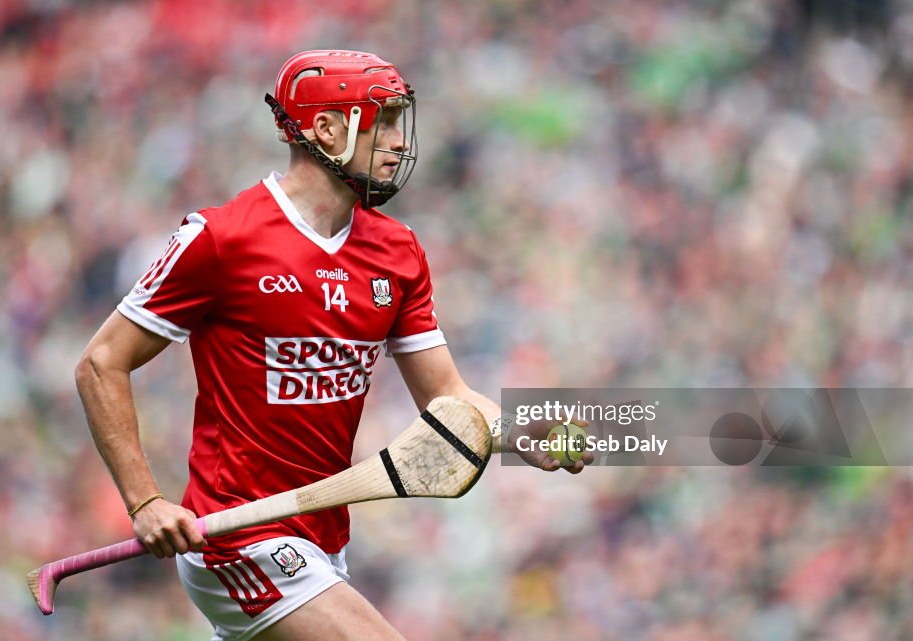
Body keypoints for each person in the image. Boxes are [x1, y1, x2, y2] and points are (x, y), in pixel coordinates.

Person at [75, 49, 591, 641]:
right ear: (326, 129)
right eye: (384, 122)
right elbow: (101, 363)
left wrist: (524, 435)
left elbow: (447, 397)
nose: (399, 142)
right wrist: (145, 502)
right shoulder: (220, 238)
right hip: (236, 535)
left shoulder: (397, 252)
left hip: (322, 540)